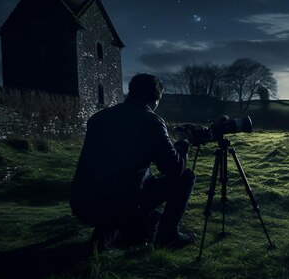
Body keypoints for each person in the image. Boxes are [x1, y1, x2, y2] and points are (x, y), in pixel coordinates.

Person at [70, 73, 196, 250]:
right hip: (119, 203)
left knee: (132, 191)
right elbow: (174, 168)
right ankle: (168, 236)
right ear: (156, 98)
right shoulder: (151, 121)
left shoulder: (99, 118)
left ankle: (107, 233)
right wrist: (183, 145)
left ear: (131, 92)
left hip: (83, 203)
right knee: (186, 177)